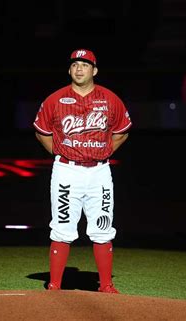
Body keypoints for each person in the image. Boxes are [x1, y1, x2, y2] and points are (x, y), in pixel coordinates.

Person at [33, 49, 132, 293]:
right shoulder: (55, 99)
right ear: (69, 70)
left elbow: (123, 130)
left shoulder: (110, 99)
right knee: (63, 225)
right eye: (75, 64)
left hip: (99, 172)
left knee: (102, 226)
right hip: (67, 170)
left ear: (94, 70)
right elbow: (41, 131)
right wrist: (59, 152)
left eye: (85, 65)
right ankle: (55, 284)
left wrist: (107, 150)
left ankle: (106, 285)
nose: (79, 69)